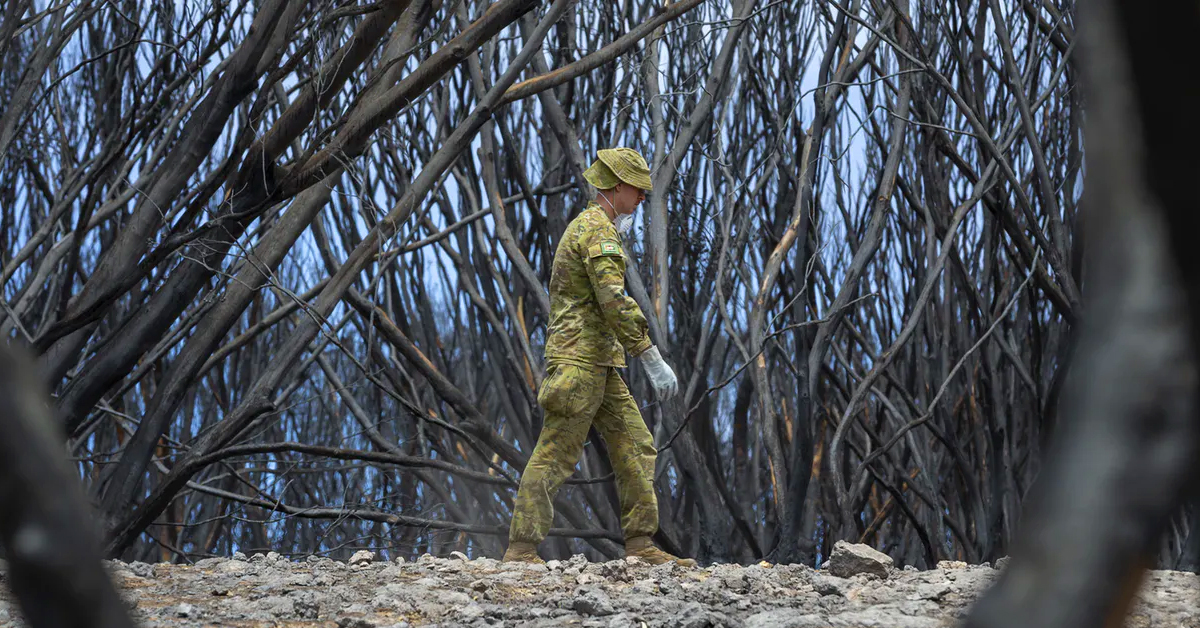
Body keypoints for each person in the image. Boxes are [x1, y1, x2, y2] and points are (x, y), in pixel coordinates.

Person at [502, 148, 694, 566]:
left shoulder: (598, 228)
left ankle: (641, 543)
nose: (642, 197)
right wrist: (649, 354)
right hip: (579, 363)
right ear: (618, 186)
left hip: (600, 363)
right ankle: (520, 549)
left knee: (635, 443)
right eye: (638, 190)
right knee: (556, 450)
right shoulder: (597, 232)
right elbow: (613, 299)